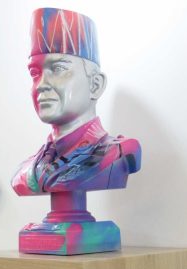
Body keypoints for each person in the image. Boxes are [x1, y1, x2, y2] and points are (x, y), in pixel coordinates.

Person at [11, 8, 141, 255]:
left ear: (95, 84)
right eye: (35, 73)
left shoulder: (118, 153)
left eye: (58, 69)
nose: (41, 85)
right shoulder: (26, 170)